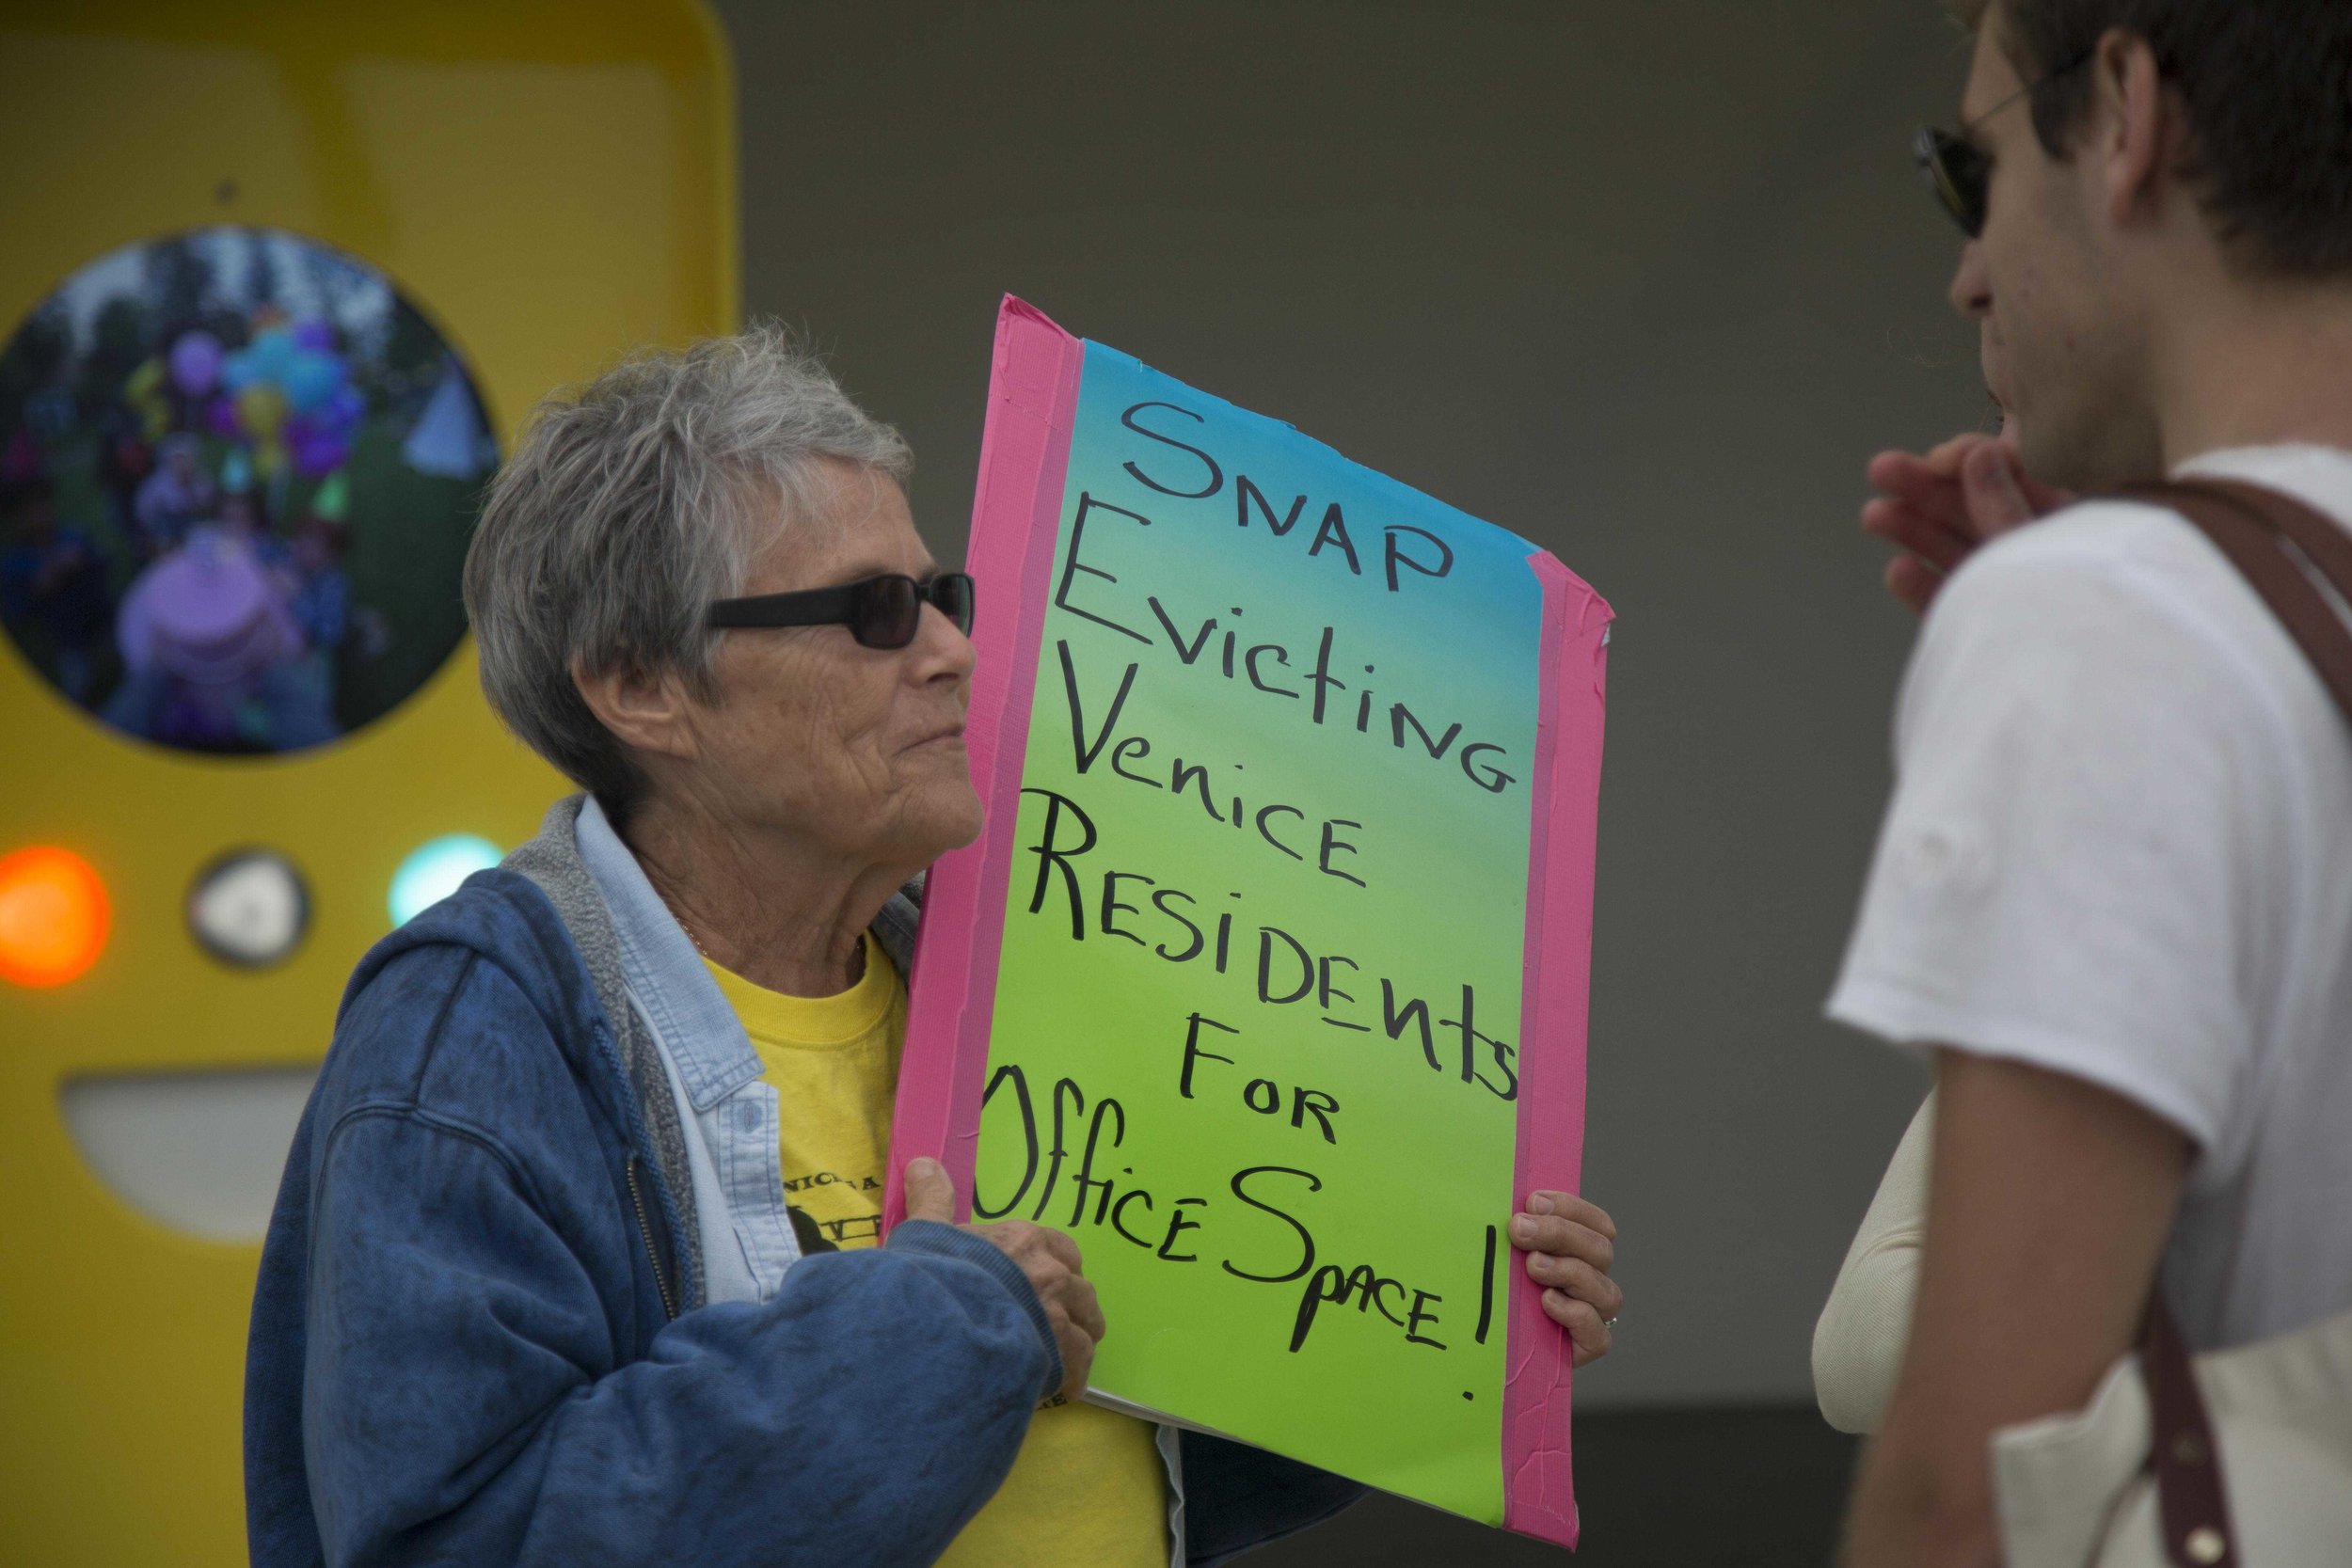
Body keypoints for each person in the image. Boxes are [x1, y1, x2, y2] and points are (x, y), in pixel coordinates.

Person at [243, 328, 1625, 1568]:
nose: (958, 651)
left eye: (943, 594)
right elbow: (468, 1544)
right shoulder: (479, 1029)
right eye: (874, 614)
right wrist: (939, 1334)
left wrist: (1437, 1298)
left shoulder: (1015, 971)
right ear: (641, 687)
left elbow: (1158, 1447)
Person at [1832, 3, 2352, 1561]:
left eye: (1967, 171)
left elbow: (1971, 1480)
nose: (1967, 270)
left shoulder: (2113, 620)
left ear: (2127, 109)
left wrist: (2097, 633)